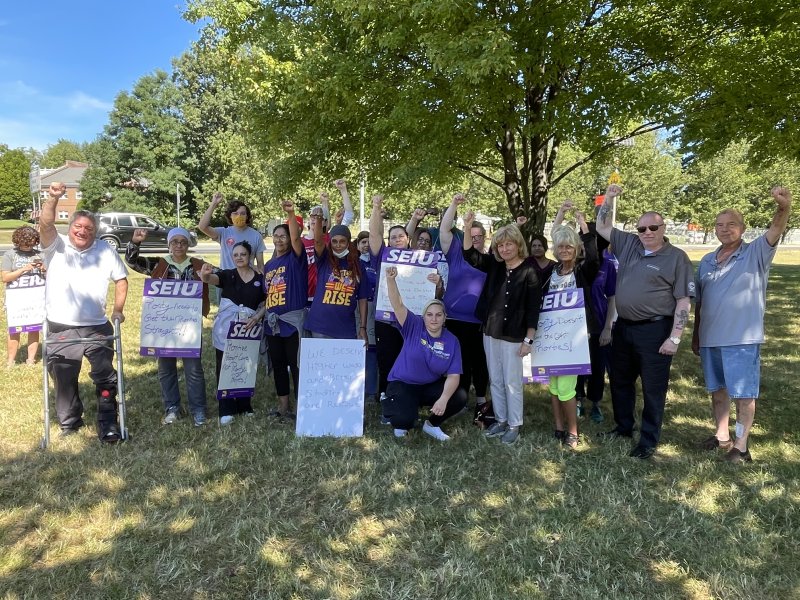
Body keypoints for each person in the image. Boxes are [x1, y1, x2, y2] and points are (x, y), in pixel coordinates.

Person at [692, 187, 792, 463]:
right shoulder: (707, 261)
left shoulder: (756, 252)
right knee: (718, 391)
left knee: (744, 395)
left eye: (731, 224)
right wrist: (696, 335)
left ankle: (741, 446)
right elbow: (700, 302)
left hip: (741, 339)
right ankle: (722, 435)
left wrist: (783, 207)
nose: (725, 229)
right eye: (719, 225)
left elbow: (775, 229)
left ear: (743, 228)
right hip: (710, 337)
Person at [595, 184, 694, 459]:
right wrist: (609, 198)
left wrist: (675, 337)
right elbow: (602, 226)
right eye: (642, 228)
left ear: (663, 229)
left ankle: (648, 440)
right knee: (620, 381)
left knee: (653, 388)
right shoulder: (629, 244)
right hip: (624, 327)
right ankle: (624, 427)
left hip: (655, 329)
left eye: (653, 227)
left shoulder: (676, 258)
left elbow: (683, 301)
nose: (647, 232)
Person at [38, 182, 128, 441]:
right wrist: (53, 198)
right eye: (78, 226)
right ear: (70, 227)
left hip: (97, 326)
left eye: (89, 228)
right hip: (61, 326)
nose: (82, 231)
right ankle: (70, 422)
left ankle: (108, 422)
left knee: (105, 377)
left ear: (95, 232)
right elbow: (45, 224)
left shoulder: (105, 249)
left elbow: (121, 280)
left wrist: (118, 310)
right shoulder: (56, 246)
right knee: (64, 377)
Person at [464, 216, 541, 445]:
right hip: (490, 331)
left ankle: (514, 424)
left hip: (514, 334)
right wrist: (467, 227)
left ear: (518, 245)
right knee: (496, 379)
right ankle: (500, 419)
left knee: (511, 381)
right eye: (500, 245)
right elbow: (470, 255)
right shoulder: (495, 265)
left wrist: (528, 340)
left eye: (509, 244)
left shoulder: (530, 271)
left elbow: (533, 309)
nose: (505, 249)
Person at [125, 226, 211, 426]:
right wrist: (135, 242)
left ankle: (198, 409)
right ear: (169, 245)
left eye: (183, 242)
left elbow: (221, 276)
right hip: (163, 325)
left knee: (194, 369)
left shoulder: (198, 264)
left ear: (188, 245)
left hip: (189, 326)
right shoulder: (159, 264)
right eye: (175, 242)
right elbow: (132, 262)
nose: (179, 245)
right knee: (166, 369)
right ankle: (172, 408)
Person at [382, 266, 467, 440]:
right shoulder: (414, 325)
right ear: (423, 316)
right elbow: (397, 304)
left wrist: (443, 399)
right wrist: (391, 280)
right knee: (403, 421)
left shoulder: (452, 341)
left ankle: (432, 425)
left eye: (438, 315)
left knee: (460, 396)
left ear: (444, 317)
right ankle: (395, 406)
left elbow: (453, 376)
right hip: (403, 383)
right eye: (429, 315)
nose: (434, 319)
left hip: (429, 386)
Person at [541, 217, 599, 449]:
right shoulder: (552, 272)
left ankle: (573, 433)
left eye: (569, 246)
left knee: (566, 388)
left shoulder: (582, 270)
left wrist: (584, 228)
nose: (564, 250)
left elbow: (593, 258)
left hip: (575, 338)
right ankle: (558, 427)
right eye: (560, 247)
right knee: (554, 386)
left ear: (576, 249)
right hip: (551, 337)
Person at [199, 241, 265, 424]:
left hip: (248, 328)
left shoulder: (260, 279)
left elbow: (268, 301)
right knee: (224, 366)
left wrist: (257, 317)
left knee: (246, 365)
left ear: (250, 256)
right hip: (226, 329)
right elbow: (210, 279)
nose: (239, 257)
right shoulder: (228, 275)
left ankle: (244, 405)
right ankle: (226, 408)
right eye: (235, 255)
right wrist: (205, 275)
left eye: (243, 254)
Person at [254, 201, 308, 420]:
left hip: (292, 323)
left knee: (296, 366)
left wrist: (291, 214)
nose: (279, 240)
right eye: (275, 236)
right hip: (272, 324)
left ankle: (301, 407)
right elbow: (268, 296)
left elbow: (295, 238)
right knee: (278, 365)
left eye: (283, 236)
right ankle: (283, 406)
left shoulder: (296, 257)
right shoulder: (269, 266)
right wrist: (260, 316)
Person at [439, 194, 489, 413]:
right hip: (454, 318)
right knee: (459, 362)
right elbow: (444, 229)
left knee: (480, 361)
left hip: (479, 321)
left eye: (479, 236)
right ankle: (459, 399)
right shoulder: (456, 253)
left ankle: (481, 399)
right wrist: (454, 204)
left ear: (485, 238)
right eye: (471, 234)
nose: (475, 239)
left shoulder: (491, 260)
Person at [304, 219, 368, 341]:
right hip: (320, 326)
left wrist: (363, 327)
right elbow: (318, 241)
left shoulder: (359, 266)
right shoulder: (324, 259)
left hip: (346, 328)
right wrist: (318, 219)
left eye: (342, 241)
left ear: (348, 242)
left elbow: (363, 298)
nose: (338, 245)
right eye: (334, 241)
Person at [2, 226, 45, 367]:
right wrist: (24, 269)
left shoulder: (40, 254)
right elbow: (5, 278)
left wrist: (44, 268)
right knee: (14, 329)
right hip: (17, 298)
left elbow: (50, 274)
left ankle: (31, 360)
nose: (29, 246)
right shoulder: (10, 255)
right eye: (26, 243)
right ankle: (10, 361)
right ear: (18, 241)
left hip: (36, 297)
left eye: (32, 243)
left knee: (34, 328)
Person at [198, 192, 266, 271]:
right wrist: (214, 204)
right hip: (226, 277)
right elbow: (202, 227)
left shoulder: (256, 236)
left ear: (247, 216)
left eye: (243, 213)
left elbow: (260, 266)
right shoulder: (223, 233)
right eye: (235, 213)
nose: (239, 216)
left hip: (247, 277)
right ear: (230, 216)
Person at [356, 230, 379, 401]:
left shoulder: (378, 262)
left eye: (369, 242)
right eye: (363, 242)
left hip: (374, 307)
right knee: (358, 348)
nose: (366, 245)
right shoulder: (354, 263)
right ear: (357, 245)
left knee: (371, 349)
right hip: (356, 308)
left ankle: (371, 391)